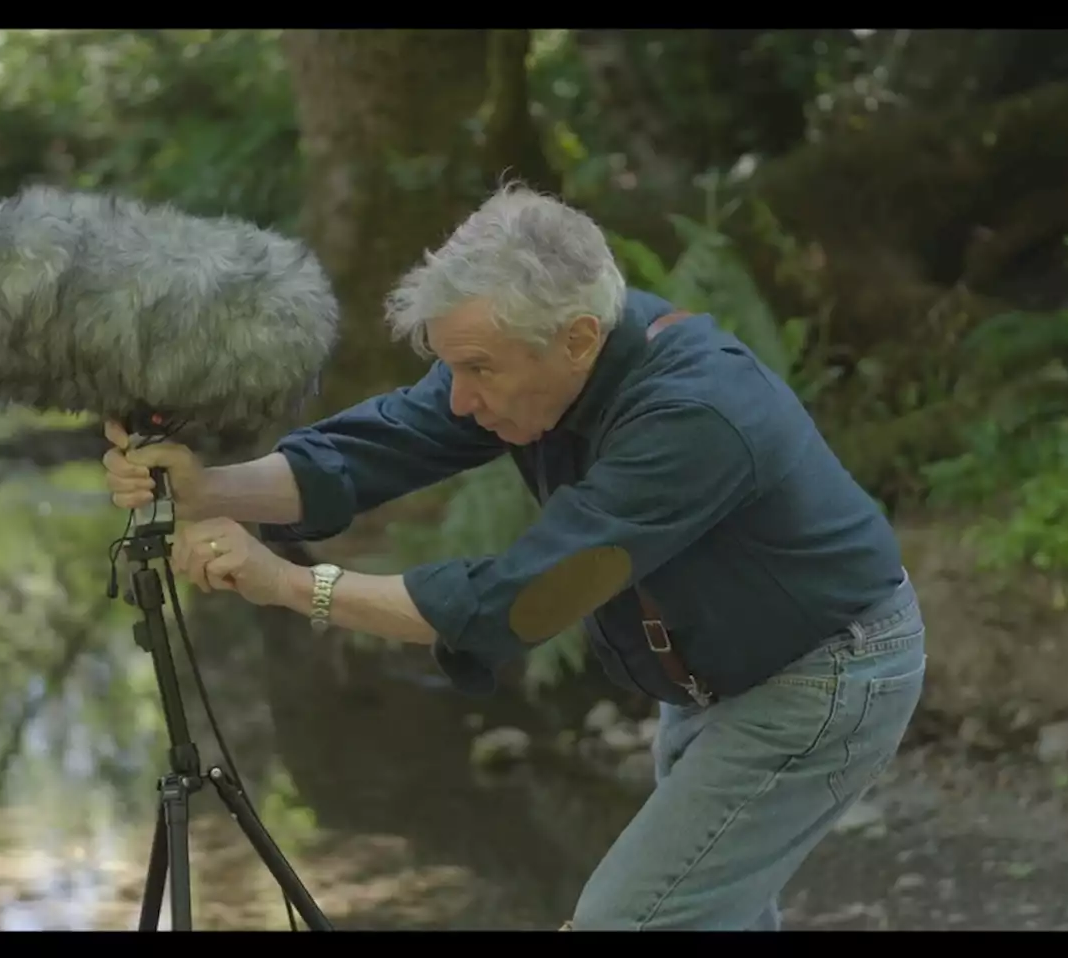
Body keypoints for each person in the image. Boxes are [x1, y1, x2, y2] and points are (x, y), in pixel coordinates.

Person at [101, 184, 926, 931]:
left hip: (823, 674)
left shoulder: (694, 419)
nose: (459, 397)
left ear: (576, 338)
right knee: (712, 917)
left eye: (477, 370)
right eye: (449, 366)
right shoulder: (537, 358)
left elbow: (522, 602)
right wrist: (207, 489)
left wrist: (286, 583)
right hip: (715, 672)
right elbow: (381, 444)